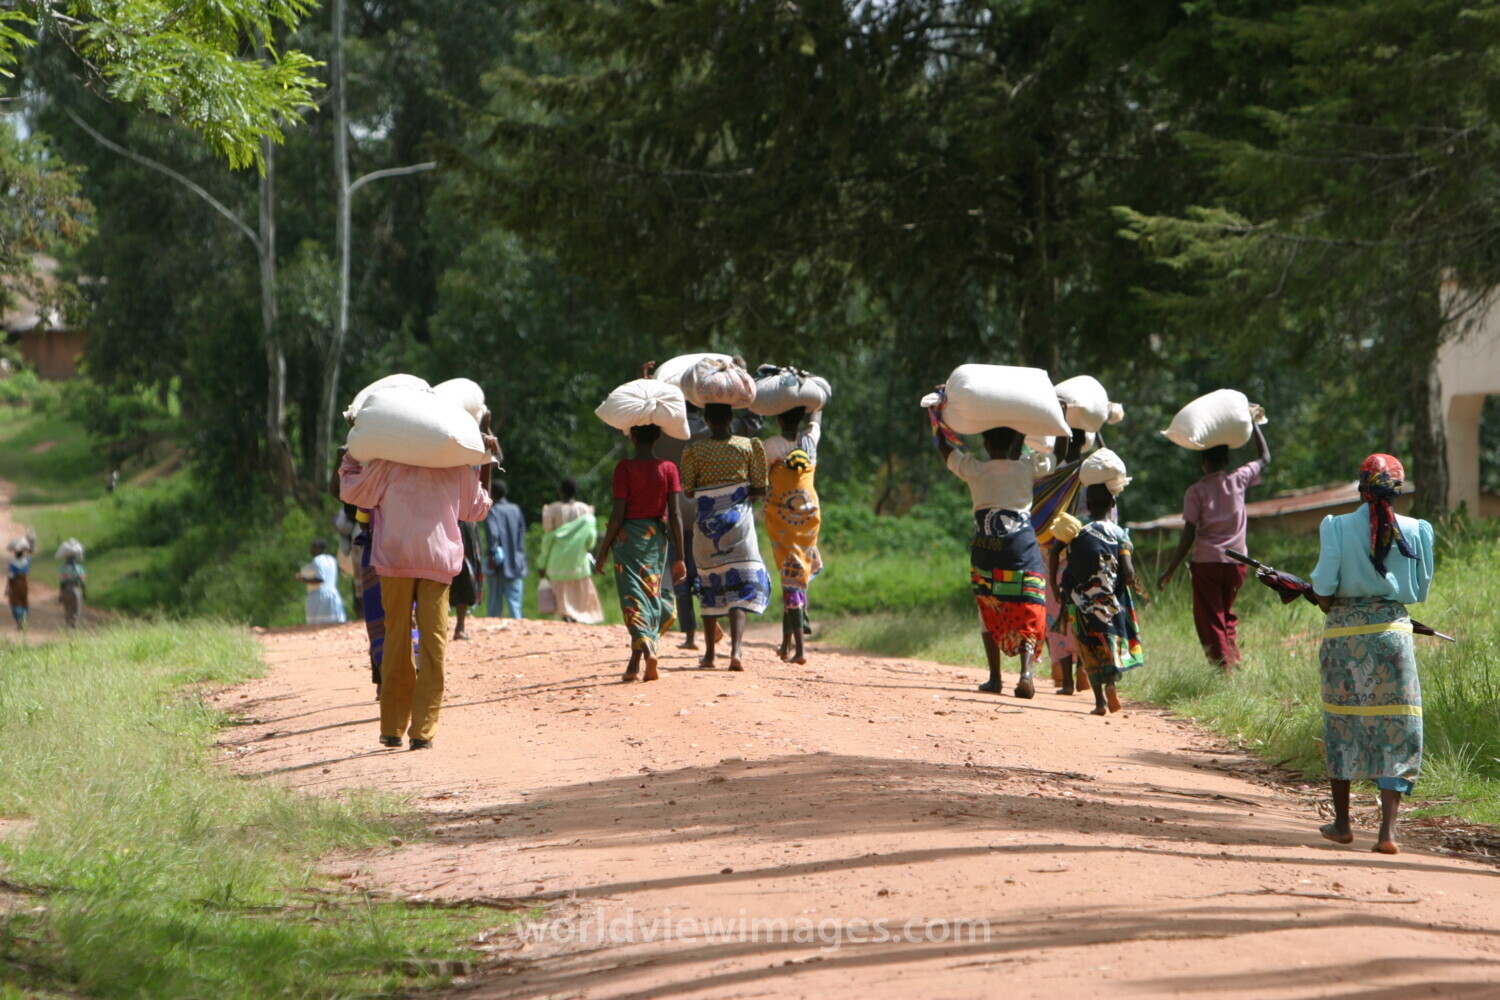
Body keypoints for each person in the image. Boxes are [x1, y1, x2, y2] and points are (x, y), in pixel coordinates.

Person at [1308, 454, 1434, 856]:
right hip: (1393, 634)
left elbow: (1324, 588)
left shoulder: (1336, 526)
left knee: (1342, 721)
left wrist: (1324, 598)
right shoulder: (1415, 530)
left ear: (1362, 486)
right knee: (1397, 724)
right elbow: (1419, 590)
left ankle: (1343, 824)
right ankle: (1387, 832)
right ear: (1399, 489)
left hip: (1343, 636)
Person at [340, 436, 496, 751]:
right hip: (436, 563)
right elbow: (479, 508)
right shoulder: (455, 466)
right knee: (433, 646)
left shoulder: (386, 465)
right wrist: (485, 460)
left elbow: (351, 491)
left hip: (394, 560)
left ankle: (393, 727)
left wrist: (351, 455)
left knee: (397, 640)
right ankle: (422, 730)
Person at [933, 417, 1047, 698]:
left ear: (985, 443)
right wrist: (1062, 417)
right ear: (1015, 442)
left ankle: (995, 678)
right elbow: (1062, 453)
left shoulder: (975, 469)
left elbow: (945, 448)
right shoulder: (1027, 467)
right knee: (1029, 604)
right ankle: (1026, 673)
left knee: (989, 605)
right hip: (1021, 548)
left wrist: (935, 419)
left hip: (986, 549)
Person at [1156, 425, 1271, 670]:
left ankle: (1224, 669)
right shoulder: (1239, 479)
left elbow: (1189, 533)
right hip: (1237, 564)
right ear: (1226, 461)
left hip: (1207, 563)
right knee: (1225, 613)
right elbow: (1265, 458)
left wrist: (1171, 569)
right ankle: (1234, 660)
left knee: (1210, 618)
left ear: (1203, 463)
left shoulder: (1195, 491)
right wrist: (1255, 425)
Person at [679, 402, 771, 670]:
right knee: (739, 587)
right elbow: (760, 489)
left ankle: (709, 655)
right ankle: (736, 651)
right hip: (739, 524)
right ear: (731, 418)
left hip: (706, 525)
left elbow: (688, 491)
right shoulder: (749, 446)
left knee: (709, 584)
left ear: (707, 420)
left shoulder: (694, 450)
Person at [593, 424, 687, 681]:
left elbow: (617, 515)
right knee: (650, 596)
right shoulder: (668, 468)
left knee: (632, 598)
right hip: (655, 541)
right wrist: (680, 556)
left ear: (632, 437)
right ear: (658, 437)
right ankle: (635, 662)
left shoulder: (624, 468)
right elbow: (676, 514)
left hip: (627, 542)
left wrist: (602, 552)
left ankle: (646, 651)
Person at [1052, 484, 1143, 717]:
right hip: (1110, 604)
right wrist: (1129, 582)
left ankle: (1100, 702)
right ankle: (1111, 683)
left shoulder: (1075, 528)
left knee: (1087, 647)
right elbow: (1129, 572)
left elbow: (1054, 551)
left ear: (1088, 505)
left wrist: (1054, 585)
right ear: (1113, 505)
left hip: (1079, 600)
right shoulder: (1119, 534)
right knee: (1109, 644)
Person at [763, 406, 823, 664]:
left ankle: (800, 650)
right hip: (808, 518)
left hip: (783, 520)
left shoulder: (770, 446)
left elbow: (761, 478)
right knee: (794, 576)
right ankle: (786, 645)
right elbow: (816, 420)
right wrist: (816, 406)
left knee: (791, 578)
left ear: (777, 418)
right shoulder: (810, 440)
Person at [540, 478, 605, 624]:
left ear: (560, 492)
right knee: (578, 590)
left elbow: (548, 538)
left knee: (560, 590)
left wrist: (542, 563)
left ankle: (565, 615)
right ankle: (575, 615)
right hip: (578, 560)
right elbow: (591, 538)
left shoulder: (552, 510)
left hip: (556, 560)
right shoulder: (585, 510)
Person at [484, 480, 528, 619]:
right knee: (514, 603)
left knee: (494, 602)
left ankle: (493, 626)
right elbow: (522, 532)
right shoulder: (516, 509)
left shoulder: (492, 511)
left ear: (491, 493)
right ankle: (518, 626)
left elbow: (493, 535)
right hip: (516, 561)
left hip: (499, 563)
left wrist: (492, 555)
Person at [300, 538, 347, 626]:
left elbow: (320, 579)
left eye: (314, 547)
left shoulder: (317, 560)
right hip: (333, 595)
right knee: (335, 624)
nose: (312, 550)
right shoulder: (332, 559)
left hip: (319, 597)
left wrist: (303, 579)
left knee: (317, 626)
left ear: (321, 549)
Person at [449, 520, 482, 639]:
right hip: (458, 522)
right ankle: (458, 626)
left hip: (459, 522)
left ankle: (459, 626)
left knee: (465, 575)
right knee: (463, 575)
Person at [6, 540, 31, 630]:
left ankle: (19, 620)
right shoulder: (26, 561)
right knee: (24, 601)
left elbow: (11, 577)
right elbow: (29, 556)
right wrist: (27, 549)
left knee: (15, 602)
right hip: (24, 584)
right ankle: (24, 619)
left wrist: (7, 588)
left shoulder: (12, 564)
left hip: (15, 585)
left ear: (15, 554)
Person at [59, 549, 85, 629]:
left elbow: (62, 583)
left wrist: (61, 594)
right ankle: (74, 624)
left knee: (68, 608)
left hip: (67, 589)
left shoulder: (64, 569)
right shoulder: (80, 568)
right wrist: (84, 593)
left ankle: (68, 624)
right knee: (77, 608)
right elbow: (82, 582)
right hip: (76, 589)